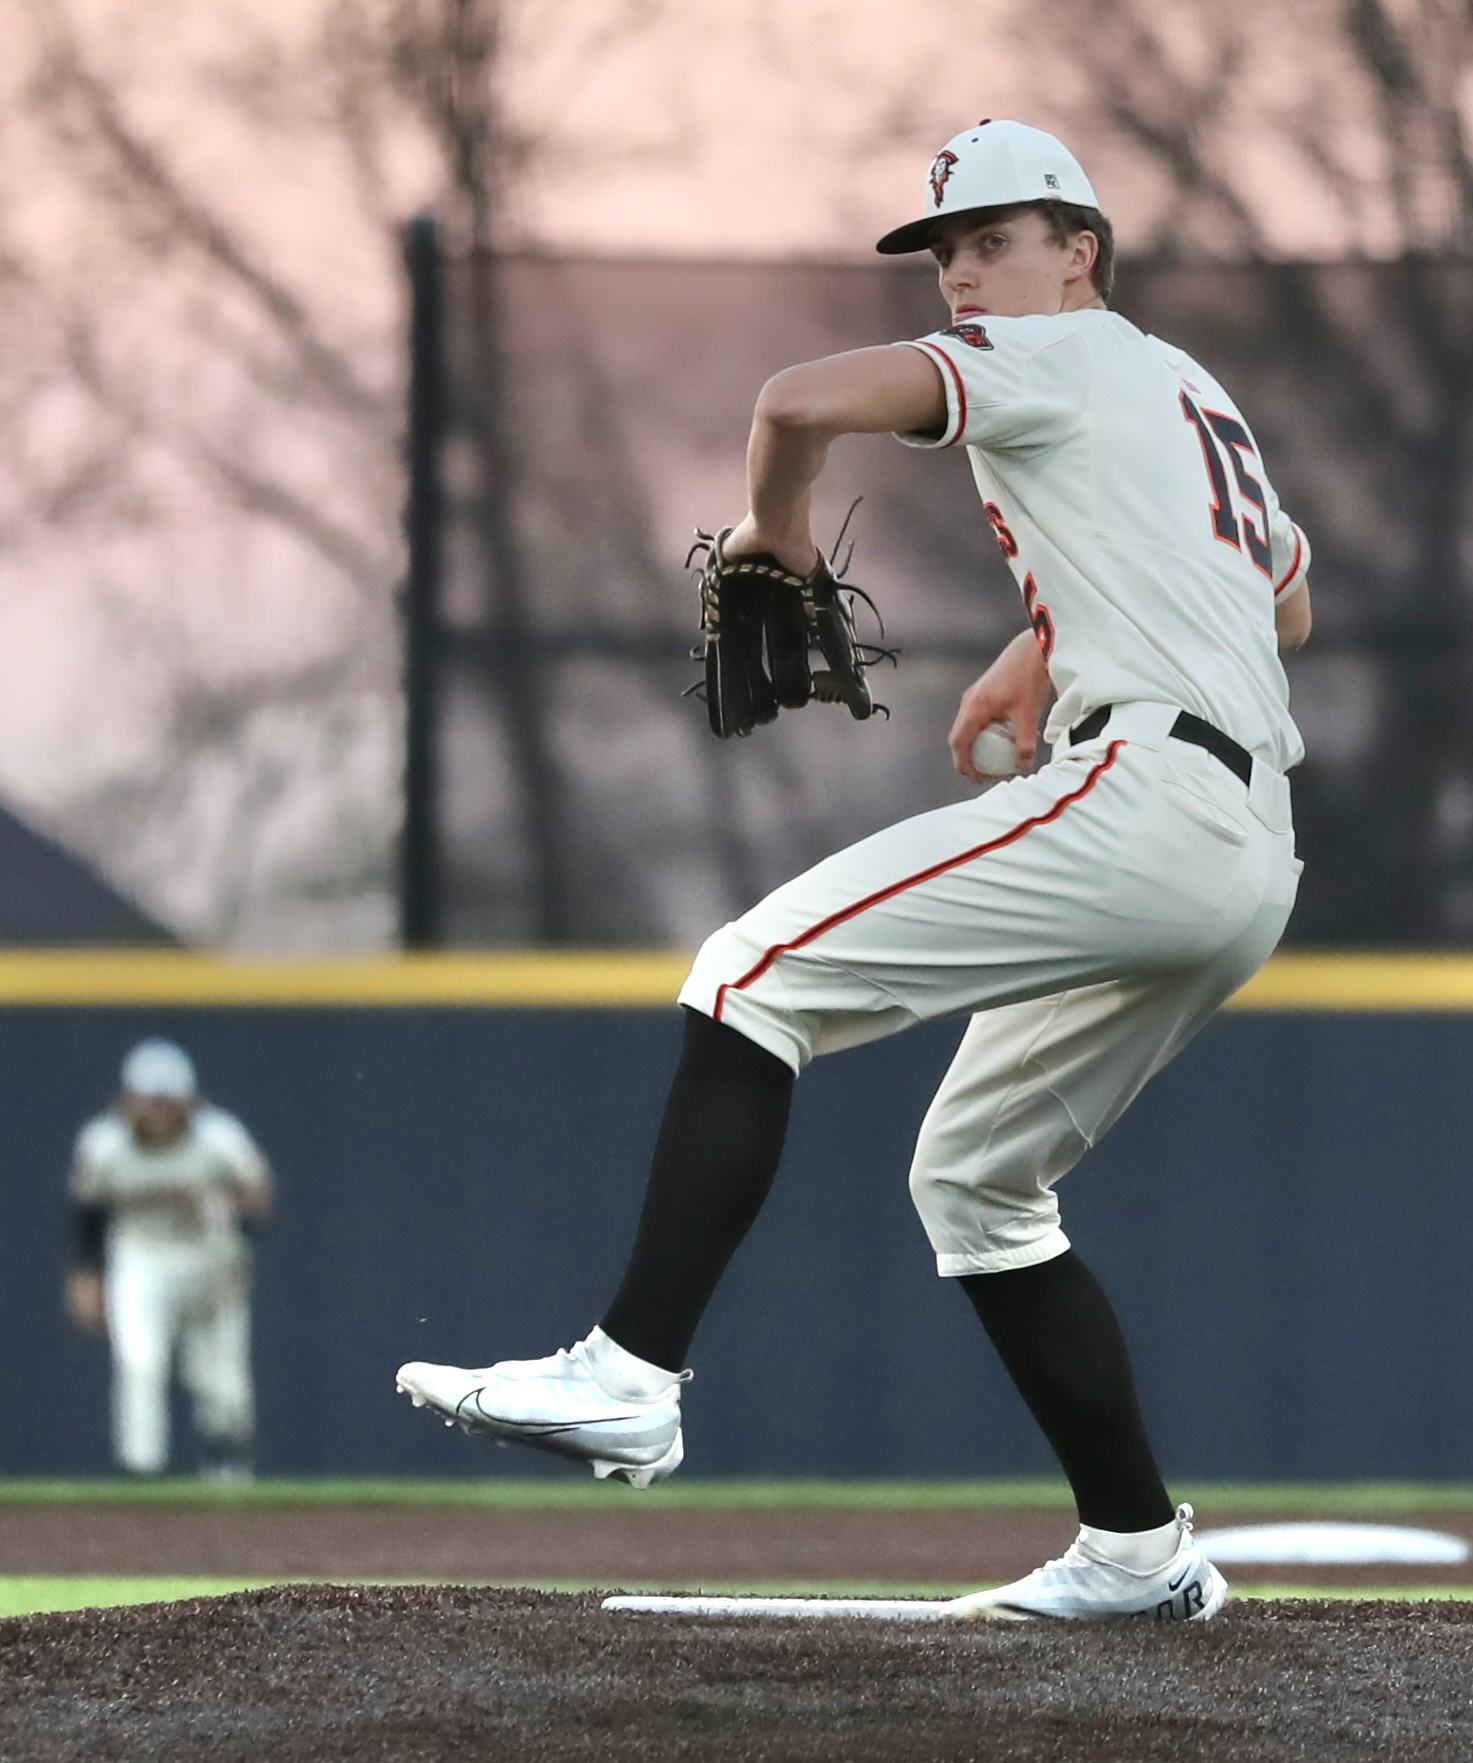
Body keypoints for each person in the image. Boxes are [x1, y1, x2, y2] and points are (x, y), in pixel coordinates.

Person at [398, 119, 1311, 1622]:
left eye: (995, 240)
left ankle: (628, 1370)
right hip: (1249, 849)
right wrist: (1047, 646)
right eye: (947, 253)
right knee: (978, 1184)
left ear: (1081, 250)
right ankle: (1138, 1551)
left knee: (748, 974)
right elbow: (1284, 598)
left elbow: (794, 399)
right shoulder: (1189, 389)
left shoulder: (1048, 353)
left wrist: (775, 538)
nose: (964, 275)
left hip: (1144, 800)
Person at [65, 1038, 273, 1479]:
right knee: (139, 1364)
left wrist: (230, 1217)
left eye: (166, 1101)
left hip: (209, 1256)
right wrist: (86, 1278)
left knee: (220, 1378)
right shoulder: (104, 1145)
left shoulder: (219, 1139)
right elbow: (88, 1213)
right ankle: (143, 1478)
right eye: (148, 1100)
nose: (156, 1112)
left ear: (188, 1102)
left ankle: (229, 1479)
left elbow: (258, 1198)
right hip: (141, 1259)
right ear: (127, 1100)